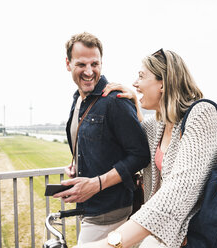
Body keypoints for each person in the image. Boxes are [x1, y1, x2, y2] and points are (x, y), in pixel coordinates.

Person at [74, 49, 217, 248]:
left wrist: (110, 244)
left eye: (141, 76)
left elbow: (177, 192)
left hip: (201, 232)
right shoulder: (158, 125)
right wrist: (134, 102)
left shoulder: (203, 114)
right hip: (169, 232)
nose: (135, 83)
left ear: (163, 83)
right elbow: (128, 142)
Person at [53, 32, 150, 245]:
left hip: (111, 211)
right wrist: (77, 166)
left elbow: (141, 154)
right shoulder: (78, 99)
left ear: (101, 63)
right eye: (81, 64)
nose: (89, 72)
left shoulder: (115, 101)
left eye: (94, 64)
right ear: (68, 64)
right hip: (89, 209)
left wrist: (96, 184)